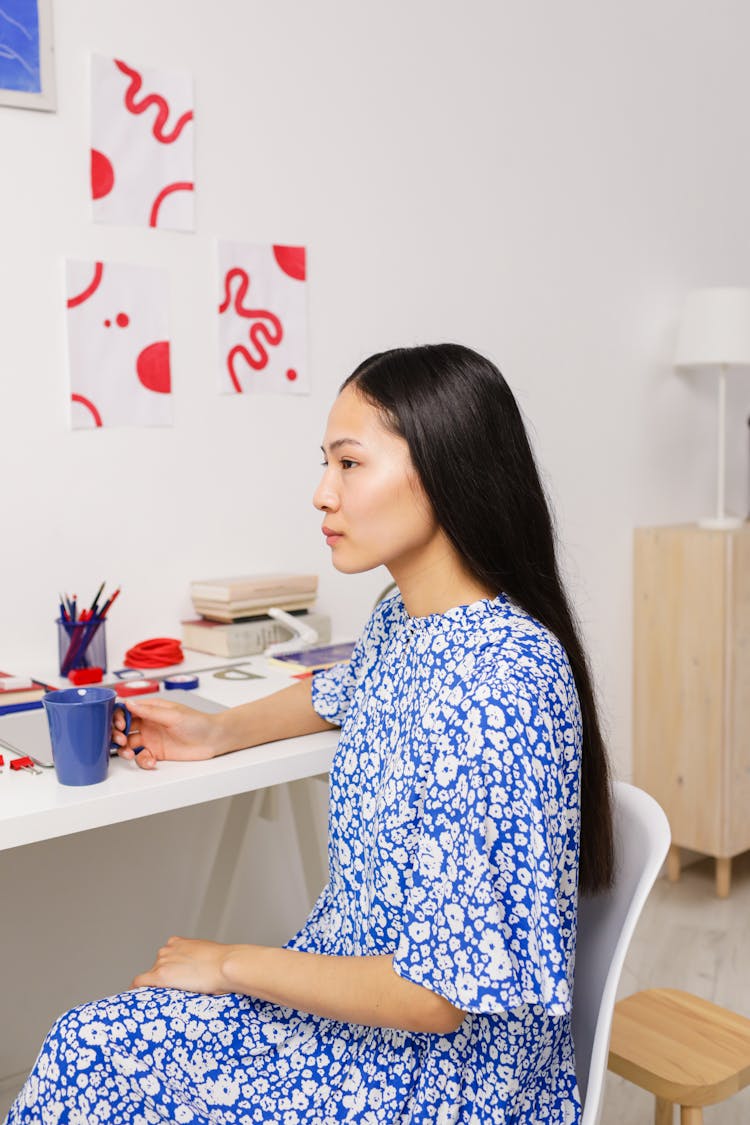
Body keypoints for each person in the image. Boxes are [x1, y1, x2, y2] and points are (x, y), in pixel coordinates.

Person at [6, 343, 613, 1124]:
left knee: (93, 1052)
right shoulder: (408, 617)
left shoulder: (505, 680)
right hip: (363, 1016)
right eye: (325, 463)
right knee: (88, 1046)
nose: (321, 493)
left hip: (450, 1081)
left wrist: (228, 962)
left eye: (349, 464)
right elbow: (344, 692)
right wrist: (214, 732)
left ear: (446, 467)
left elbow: (435, 997)